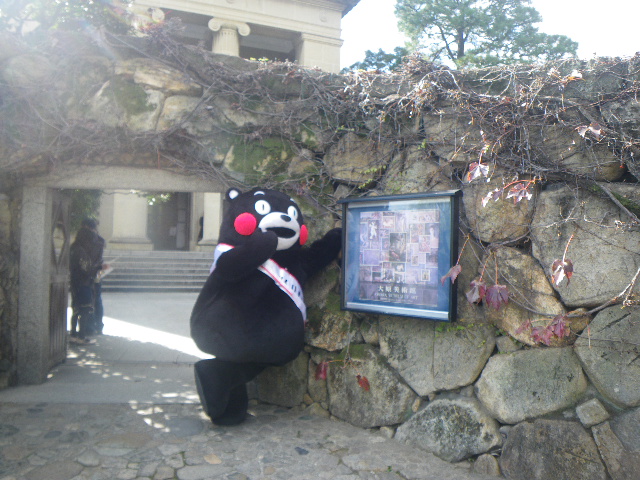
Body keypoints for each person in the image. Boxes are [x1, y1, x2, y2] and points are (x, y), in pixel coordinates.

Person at [69, 218, 107, 343]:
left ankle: (74, 334)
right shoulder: (88, 247)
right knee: (85, 308)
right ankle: (82, 336)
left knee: (76, 308)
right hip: (85, 281)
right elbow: (86, 268)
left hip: (75, 281)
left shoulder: (75, 247)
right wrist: (99, 267)